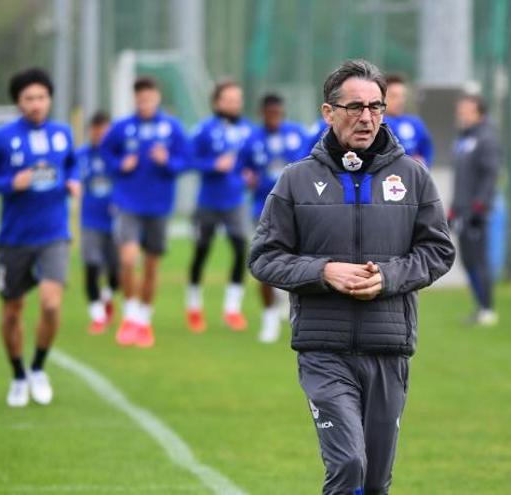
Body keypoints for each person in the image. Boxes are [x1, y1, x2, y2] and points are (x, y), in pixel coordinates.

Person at [248, 59, 455, 494]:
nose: (366, 117)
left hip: (388, 348)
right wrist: (323, 271)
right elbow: (264, 258)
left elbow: (438, 251)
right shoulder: (296, 180)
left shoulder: (413, 177)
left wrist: (389, 277)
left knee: (376, 481)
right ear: (328, 112)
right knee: (348, 465)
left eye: (376, 107)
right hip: (324, 351)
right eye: (355, 106)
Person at [0, 67, 80, 407]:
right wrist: (9, 183)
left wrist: (73, 180)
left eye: (42, 97)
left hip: (54, 234)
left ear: (50, 100)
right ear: (18, 102)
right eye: (29, 98)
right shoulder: (2, 137)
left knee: (50, 303)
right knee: (12, 310)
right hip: (14, 238)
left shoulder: (62, 134)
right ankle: (18, 374)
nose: (36, 104)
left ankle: (38, 368)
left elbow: (73, 164)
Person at [99, 76, 188, 348]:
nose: (145, 104)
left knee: (151, 266)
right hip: (128, 203)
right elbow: (104, 152)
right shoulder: (122, 127)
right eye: (140, 100)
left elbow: (186, 160)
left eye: (149, 99)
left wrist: (168, 162)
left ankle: (144, 321)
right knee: (127, 260)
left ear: (157, 98)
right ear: (135, 99)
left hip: (159, 206)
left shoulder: (171, 127)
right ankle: (129, 317)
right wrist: (119, 164)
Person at [185, 80, 253, 333]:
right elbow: (190, 160)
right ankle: (194, 307)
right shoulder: (204, 130)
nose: (235, 104)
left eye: (238, 99)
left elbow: (252, 161)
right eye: (229, 99)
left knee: (240, 251)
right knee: (201, 253)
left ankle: (232, 309)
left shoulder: (248, 130)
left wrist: (249, 174)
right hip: (208, 203)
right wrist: (213, 165)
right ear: (217, 102)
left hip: (235, 201)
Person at [240, 93, 307, 343]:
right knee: (264, 264)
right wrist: (246, 177)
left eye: (278, 114)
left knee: (296, 263)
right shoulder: (252, 139)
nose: (274, 118)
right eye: (270, 114)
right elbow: (241, 168)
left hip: (295, 209)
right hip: (262, 209)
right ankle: (269, 320)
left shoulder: (298, 135)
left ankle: (293, 310)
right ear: (262, 114)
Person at [449, 94, 501, 326]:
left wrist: (479, 207)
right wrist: (453, 208)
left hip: (475, 212)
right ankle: (480, 307)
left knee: (478, 260)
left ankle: (488, 309)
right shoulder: (463, 139)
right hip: (461, 211)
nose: (461, 113)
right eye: (460, 109)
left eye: (466, 109)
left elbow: (490, 176)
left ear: (479, 112)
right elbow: (461, 180)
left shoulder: (486, 139)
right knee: (468, 261)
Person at [77, 111, 119, 335]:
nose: (101, 136)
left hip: (117, 222)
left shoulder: (117, 155)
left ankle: (107, 297)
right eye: (97, 131)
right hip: (90, 221)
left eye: (105, 132)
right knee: (92, 267)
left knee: (117, 272)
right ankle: (97, 316)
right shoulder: (81, 155)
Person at [383, 74, 434, 167]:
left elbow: (426, 151)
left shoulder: (415, 123)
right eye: (393, 96)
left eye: (402, 96)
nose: (400, 101)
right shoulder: (377, 124)